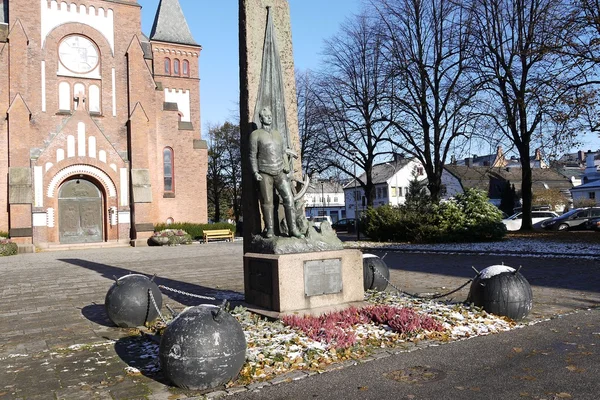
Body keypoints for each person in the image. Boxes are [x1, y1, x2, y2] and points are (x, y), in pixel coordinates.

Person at [249, 107, 304, 239]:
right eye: (266, 116)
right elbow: (252, 155)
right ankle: (270, 229)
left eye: (270, 116)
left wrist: (286, 165)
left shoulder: (277, 134)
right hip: (264, 171)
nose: (269, 118)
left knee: (289, 198)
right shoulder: (255, 135)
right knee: (267, 202)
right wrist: (255, 172)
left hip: (280, 171)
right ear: (261, 118)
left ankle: (293, 229)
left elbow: (283, 151)